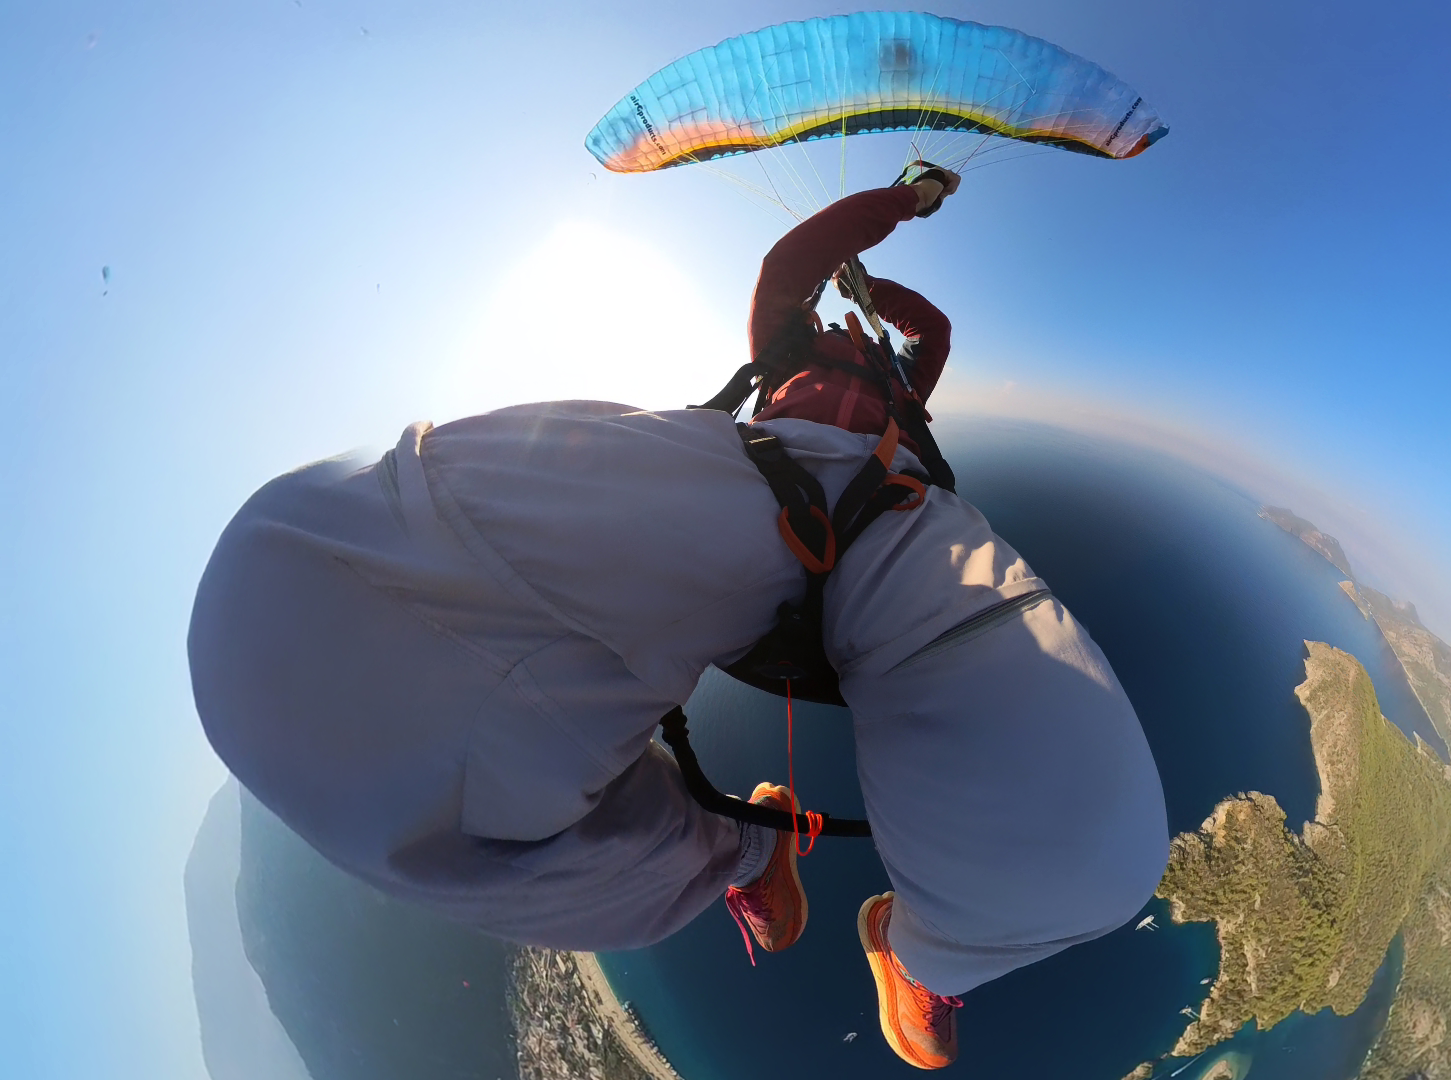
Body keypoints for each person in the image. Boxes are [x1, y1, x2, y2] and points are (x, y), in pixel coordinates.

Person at [187, 168, 1169, 1070]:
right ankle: (764, 861)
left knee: (1105, 865)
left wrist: (882, 313)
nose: (836, 334)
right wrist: (898, 205)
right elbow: (794, 262)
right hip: (756, 488)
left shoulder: (891, 398)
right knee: (296, 575)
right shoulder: (788, 353)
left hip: (863, 520)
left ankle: (903, 949)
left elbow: (931, 331)